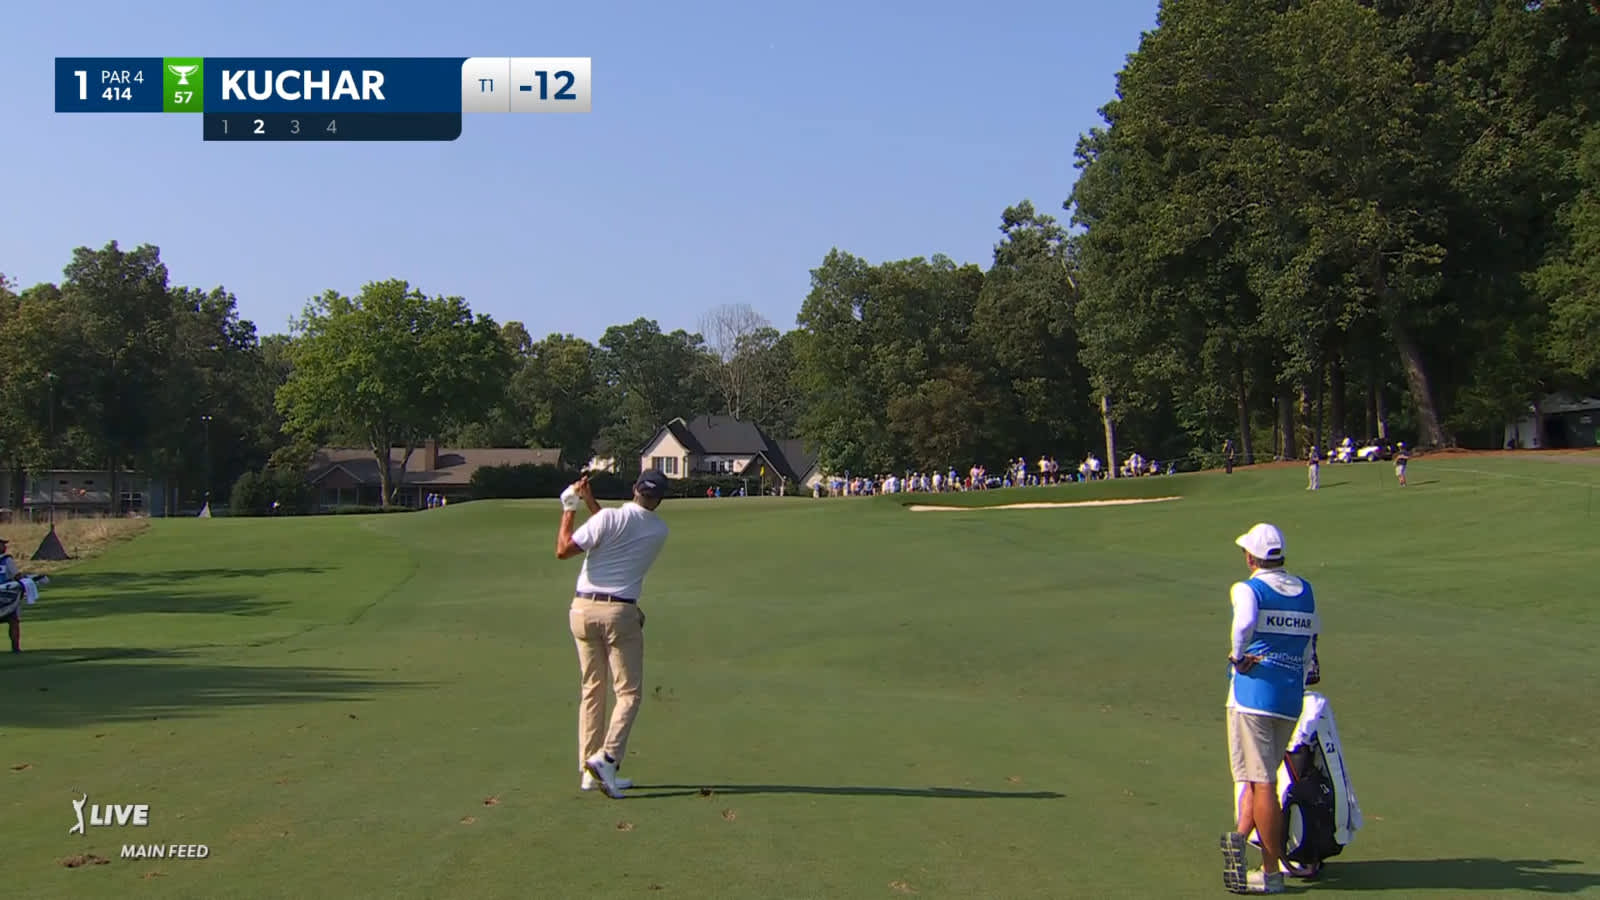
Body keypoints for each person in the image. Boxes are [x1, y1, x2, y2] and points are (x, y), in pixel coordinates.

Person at [555, 469, 671, 799]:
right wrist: (589, 504)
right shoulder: (659, 530)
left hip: (582, 610)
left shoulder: (606, 519)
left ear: (634, 488)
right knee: (629, 694)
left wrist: (570, 507)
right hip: (620, 614)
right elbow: (619, 532)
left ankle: (589, 772)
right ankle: (607, 759)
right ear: (659, 500)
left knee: (593, 689)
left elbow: (567, 547)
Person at [1219, 523, 1319, 895]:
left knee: (1262, 782)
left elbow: (1244, 622)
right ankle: (1238, 837)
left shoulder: (1248, 588)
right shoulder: (1305, 589)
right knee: (1256, 776)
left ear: (1250, 557)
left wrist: (1238, 655)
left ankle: (1271, 872)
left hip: (1253, 696)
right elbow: (1311, 640)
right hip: (1289, 697)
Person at [0, 538, 20, 652]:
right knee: (13, 621)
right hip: (6, 599)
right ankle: (15, 648)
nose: (5, 547)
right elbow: (17, 576)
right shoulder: (7, 561)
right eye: (2, 544)